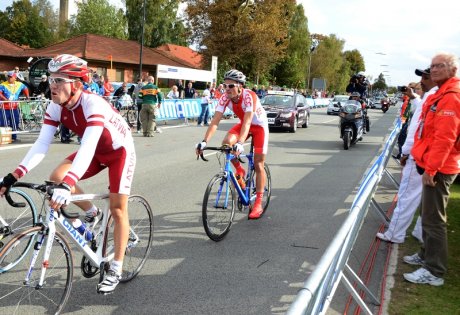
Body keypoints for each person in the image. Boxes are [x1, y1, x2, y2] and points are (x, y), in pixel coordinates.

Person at [0, 54, 136, 294]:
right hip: (93, 152)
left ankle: (116, 267)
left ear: (77, 84)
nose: (52, 85)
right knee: (56, 177)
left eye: (60, 80)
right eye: (51, 79)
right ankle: (92, 214)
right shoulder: (55, 106)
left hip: (118, 152)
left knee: (117, 208)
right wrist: (12, 176)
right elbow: (41, 144)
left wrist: (68, 184)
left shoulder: (93, 104)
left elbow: (89, 144)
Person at [403, 53, 460, 286]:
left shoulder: (451, 97)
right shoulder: (442, 93)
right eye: (432, 66)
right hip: (432, 164)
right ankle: (426, 255)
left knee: (434, 220)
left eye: (440, 66)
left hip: (440, 168)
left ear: (452, 70)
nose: (434, 70)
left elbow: (445, 138)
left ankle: (434, 271)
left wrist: (432, 169)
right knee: (428, 216)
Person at [195, 69, 269, 219]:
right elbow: (215, 121)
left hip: (259, 127)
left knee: (258, 164)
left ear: (240, 86)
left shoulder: (250, 97)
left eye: (231, 86)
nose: (227, 89)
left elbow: (248, 121)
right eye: (225, 85)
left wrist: (241, 143)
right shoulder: (224, 98)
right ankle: (240, 171)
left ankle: (258, 202)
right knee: (226, 144)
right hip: (243, 125)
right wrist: (204, 142)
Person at [376, 67, 438, 244]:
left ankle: (394, 234)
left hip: (419, 156)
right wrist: (414, 96)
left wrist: (405, 152)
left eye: (424, 78)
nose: (421, 82)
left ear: (434, 79)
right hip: (426, 156)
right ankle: (419, 233)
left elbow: (416, 130)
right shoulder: (433, 97)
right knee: (425, 201)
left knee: (406, 197)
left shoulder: (433, 97)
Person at [0, 71, 30, 142]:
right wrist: (5, 99)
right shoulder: (3, 85)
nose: (9, 78)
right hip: (4, 108)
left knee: (15, 122)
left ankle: (14, 137)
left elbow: (25, 89)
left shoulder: (19, 84)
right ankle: (5, 138)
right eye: (8, 77)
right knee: (3, 123)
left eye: (11, 77)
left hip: (14, 108)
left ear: (15, 78)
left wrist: (27, 97)